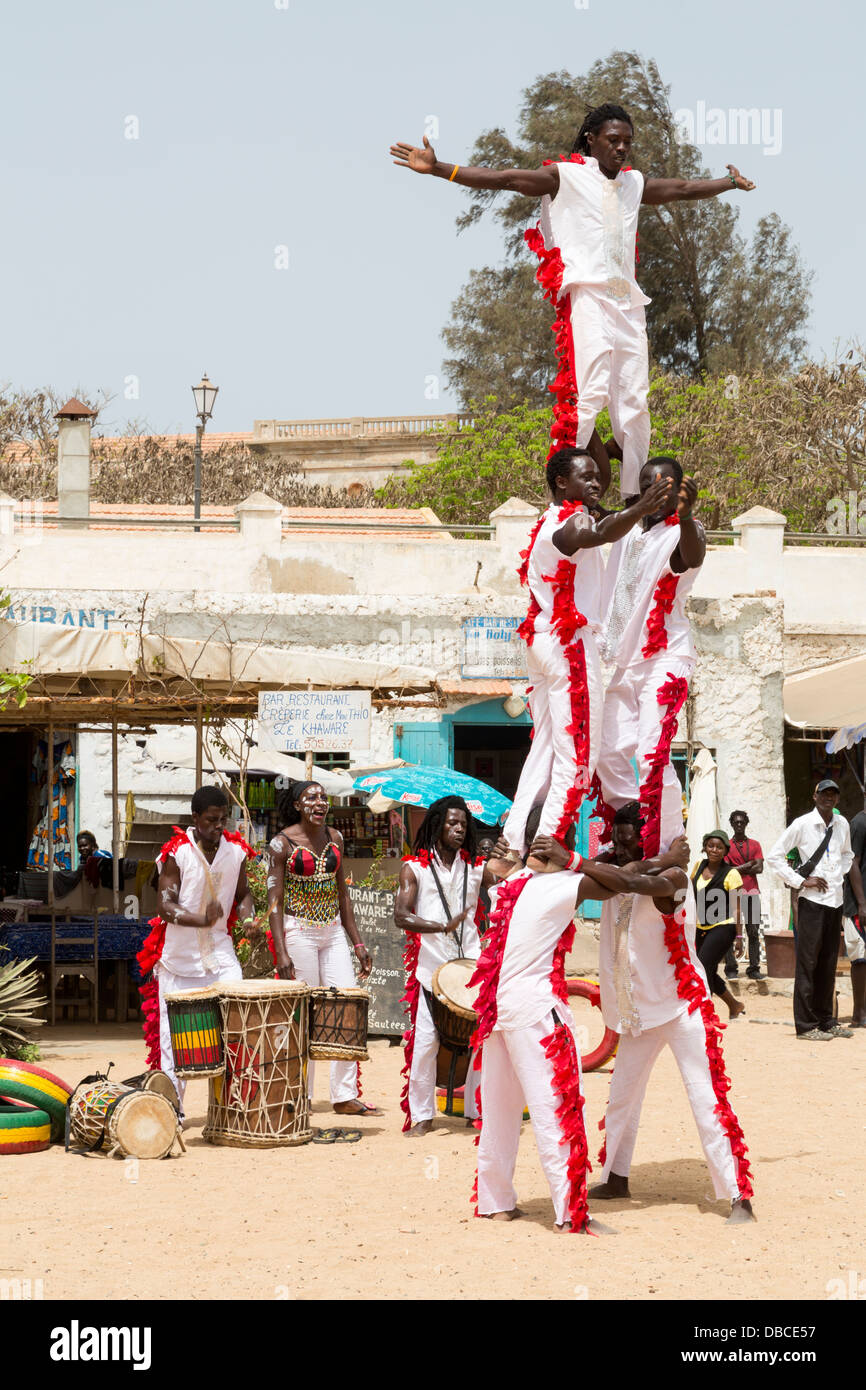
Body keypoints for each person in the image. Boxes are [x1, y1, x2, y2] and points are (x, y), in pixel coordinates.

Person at [390, 105, 754, 495]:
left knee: (635, 406)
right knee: (590, 394)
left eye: (627, 142)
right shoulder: (565, 175)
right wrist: (441, 167)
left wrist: (728, 183)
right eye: (613, 140)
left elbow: (681, 190)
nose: (621, 148)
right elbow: (507, 179)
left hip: (628, 304)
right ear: (590, 140)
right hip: (588, 297)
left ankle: (635, 502)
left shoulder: (634, 183)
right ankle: (566, 495)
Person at [496, 448, 670, 874]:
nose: (597, 483)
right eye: (586, 477)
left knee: (543, 753)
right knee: (578, 755)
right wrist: (645, 507)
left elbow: (605, 513)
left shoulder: (550, 517)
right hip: (569, 646)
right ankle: (547, 845)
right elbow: (597, 533)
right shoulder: (570, 523)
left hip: (544, 641)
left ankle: (509, 845)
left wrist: (609, 449)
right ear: (561, 483)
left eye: (598, 477)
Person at [580, 803, 755, 1223]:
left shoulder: (674, 878)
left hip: (681, 1008)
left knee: (705, 1098)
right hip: (639, 1012)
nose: (621, 847)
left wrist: (664, 862)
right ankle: (617, 1177)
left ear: (649, 840)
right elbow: (606, 876)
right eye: (617, 840)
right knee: (622, 1098)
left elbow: (632, 880)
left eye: (630, 841)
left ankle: (738, 1197)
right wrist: (654, 856)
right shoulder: (615, 871)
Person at [473, 804, 616, 1234]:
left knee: (499, 1113)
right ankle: (570, 1212)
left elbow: (491, 872)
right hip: (536, 1010)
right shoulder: (563, 884)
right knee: (556, 1110)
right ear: (559, 838)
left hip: (498, 1010)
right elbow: (621, 884)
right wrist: (573, 859)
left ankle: (495, 1202)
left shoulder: (511, 881)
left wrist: (513, 852)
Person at [594, 456, 706, 857]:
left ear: (679, 490)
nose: (654, 489)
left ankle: (666, 845)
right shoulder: (628, 528)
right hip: (622, 661)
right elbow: (596, 508)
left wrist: (687, 514)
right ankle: (634, 830)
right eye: (646, 483)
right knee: (605, 752)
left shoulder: (683, 533)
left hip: (665, 657)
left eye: (664, 484)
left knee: (651, 754)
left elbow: (690, 559)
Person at [136, 786, 256, 1111]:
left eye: (222, 820)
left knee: (237, 1026)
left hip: (221, 956)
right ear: (195, 818)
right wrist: (200, 919)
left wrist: (248, 919)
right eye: (210, 820)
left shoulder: (236, 852)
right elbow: (165, 905)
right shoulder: (177, 853)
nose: (218, 826)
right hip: (178, 963)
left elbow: (244, 895)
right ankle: (170, 1113)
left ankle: (232, 1110)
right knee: (174, 1045)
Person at [267, 781, 379, 1117]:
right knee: (305, 1012)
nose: (320, 803)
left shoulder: (336, 838)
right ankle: (301, 1094)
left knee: (345, 1006)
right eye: (312, 798)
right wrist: (281, 951)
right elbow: (275, 902)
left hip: (331, 932)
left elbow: (343, 895)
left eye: (323, 799)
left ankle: (344, 1095)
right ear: (298, 805)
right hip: (298, 930)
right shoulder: (281, 843)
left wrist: (356, 942)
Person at [394, 796, 489, 1136]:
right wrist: (439, 928)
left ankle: (476, 1110)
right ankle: (421, 1116)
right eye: (451, 823)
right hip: (430, 971)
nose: (458, 828)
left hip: (470, 969)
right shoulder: (414, 868)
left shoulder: (477, 868)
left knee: (481, 1042)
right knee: (425, 1044)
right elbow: (401, 916)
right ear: (436, 825)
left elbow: (509, 888)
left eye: (463, 823)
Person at [766, 780, 855, 1040]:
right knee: (808, 964)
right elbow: (774, 856)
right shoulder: (802, 824)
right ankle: (805, 1026)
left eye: (833, 794)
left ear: (837, 799)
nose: (829, 798)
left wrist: (838, 874)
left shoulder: (842, 824)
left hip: (835, 901)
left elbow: (848, 855)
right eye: (824, 793)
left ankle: (826, 1020)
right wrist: (801, 880)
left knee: (828, 963)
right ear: (814, 795)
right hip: (812, 903)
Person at [690, 831, 746, 1020]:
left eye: (719, 847)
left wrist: (739, 937)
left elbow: (738, 908)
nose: (714, 850)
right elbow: (690, 896)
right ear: (705, 846)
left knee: (703, 966)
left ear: (725, 851)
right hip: (700, 926)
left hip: (724, 926)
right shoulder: (698, 866)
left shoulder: (732, 874)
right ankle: (735, 1005)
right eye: (711, 846)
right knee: (706, 970)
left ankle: (704, 1013)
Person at [724, 810, 765, 980]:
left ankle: (754, 968)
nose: (739, 825)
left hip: (752, 892)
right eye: (736, 822)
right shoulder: (727, 846)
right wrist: (749, 865)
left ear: (746, 823)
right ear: (732, 824)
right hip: (732, 893)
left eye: (742, 822)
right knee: (728, 931)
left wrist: (737, 868)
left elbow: (760, 868)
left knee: (753, 931)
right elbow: (726, 870)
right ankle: (731, 967)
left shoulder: (755, 844)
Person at [842, 795, 866, 1027]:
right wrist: (861, 903)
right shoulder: (859, 823)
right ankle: (859, 1015)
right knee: (860, 958)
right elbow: (853, 863)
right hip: (858, 904)